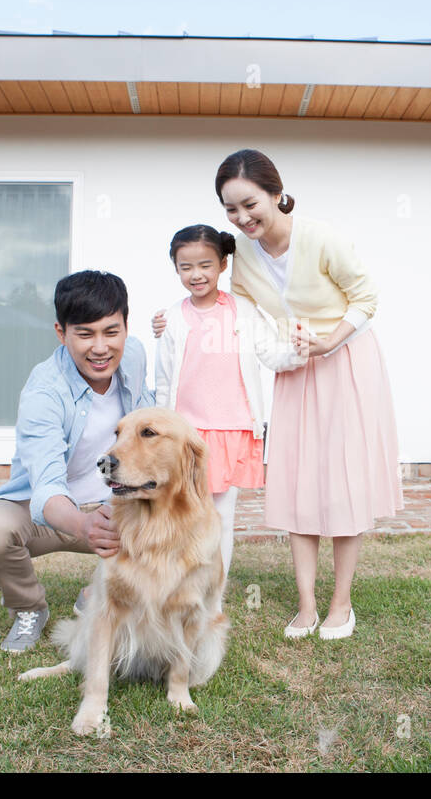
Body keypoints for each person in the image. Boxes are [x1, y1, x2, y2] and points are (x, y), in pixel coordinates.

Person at [154, 149, 403, 641]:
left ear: (275, 192)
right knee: (297, 481)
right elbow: (237, 307)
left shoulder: (320, 238)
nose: (242, 217)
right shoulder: (241, 253)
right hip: (295, 367)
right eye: (231, 210)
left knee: (343, 482)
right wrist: (174, 317)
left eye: (250, 204)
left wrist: (330, 341)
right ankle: (306, 605)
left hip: (346, 361)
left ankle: (341, 603)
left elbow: (367, 297)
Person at [0, 270, 154, 653]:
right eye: (85, 334)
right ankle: (29, 608)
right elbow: (48, 485)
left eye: (110, 331)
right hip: (53, 512)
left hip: (115, 502)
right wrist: (84, 525)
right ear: (61, 332)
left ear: (125, 326)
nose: (100, 347)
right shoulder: (44, 392)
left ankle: (99, 592)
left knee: (172, 508)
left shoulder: (133, 355)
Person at [154, 224, 305, 576]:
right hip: (185, 435)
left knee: (221, 517)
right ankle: (181, 584)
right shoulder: (172, 318)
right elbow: (163, 380)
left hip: (232, 431)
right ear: (176, 268)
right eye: (185, 267)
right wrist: (160, 430)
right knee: (181, 514)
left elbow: (272, 354)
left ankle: (214, 592)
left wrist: (299, 351)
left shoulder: (243, 311)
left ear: (222, 264)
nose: (196, 274)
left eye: (205, 265)